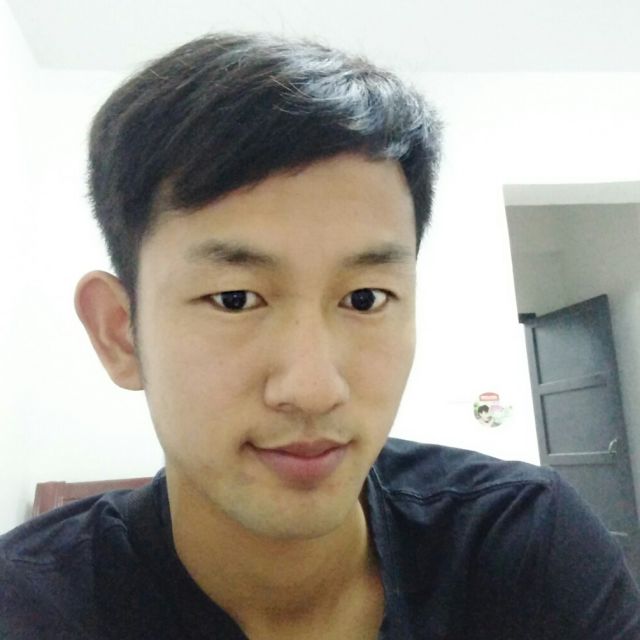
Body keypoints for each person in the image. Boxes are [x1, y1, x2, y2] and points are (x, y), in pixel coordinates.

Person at [1, 33, 638, 640]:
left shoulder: (526, 546)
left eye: (365, 298)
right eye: (234, 299)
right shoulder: (28, 608)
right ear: (120, 333)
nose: (313, 389)